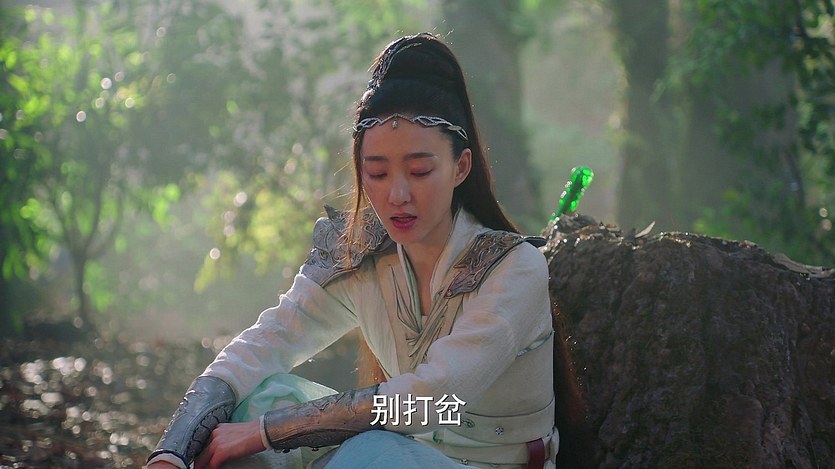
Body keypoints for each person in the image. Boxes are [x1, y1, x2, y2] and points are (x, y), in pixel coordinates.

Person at [146, 32, 589, 469]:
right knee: (254, 400)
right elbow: (263, 344)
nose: (397, 195)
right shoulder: (361, 257)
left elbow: (433, 400)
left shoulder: (514, 269)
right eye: (377, 173)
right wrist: (173, 451)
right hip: (399, 451)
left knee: (366, 451)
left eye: (419, 171)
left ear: (460, 167)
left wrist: (267, 433)